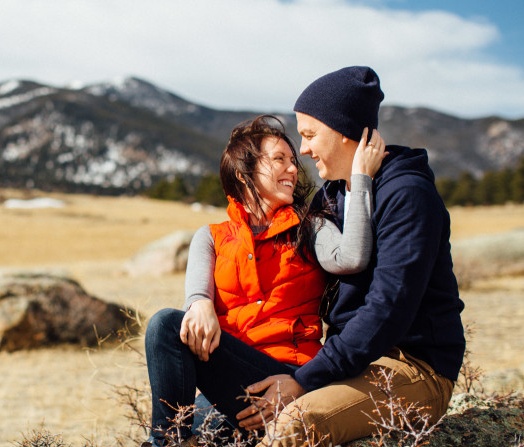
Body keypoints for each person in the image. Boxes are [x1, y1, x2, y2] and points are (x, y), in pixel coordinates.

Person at [234, 66, 465, 447]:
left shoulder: (407, 195)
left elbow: (388, 308)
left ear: (344, 133)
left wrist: (304, 380)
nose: (303, 150)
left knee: (296, 423)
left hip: (413, 367)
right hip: (352, 360)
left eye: (309, 135)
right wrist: (201, 304)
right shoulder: (332, 194)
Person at [143, 114, 386, 447]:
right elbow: (197, 295)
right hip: (232, 380)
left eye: (291, 160)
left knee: (166, 326)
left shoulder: (309, 226)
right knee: (164, 328)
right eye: (278, 159)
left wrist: (360, 179)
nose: (292, 168)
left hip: (291, 377)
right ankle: (173, 442)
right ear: (245, 174)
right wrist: (199, 304)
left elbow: (352, 257)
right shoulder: (212, 237)